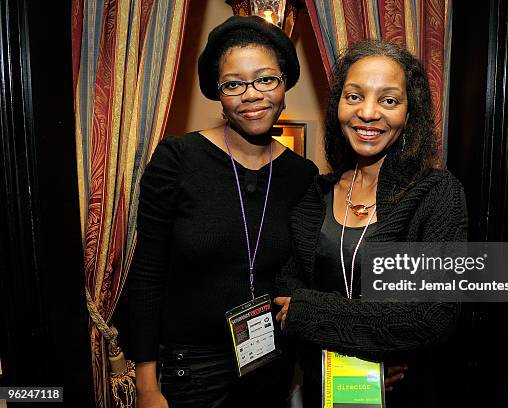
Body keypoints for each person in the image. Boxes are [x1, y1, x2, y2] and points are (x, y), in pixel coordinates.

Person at [128, 16, 318, 408]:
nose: (252, 95)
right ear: (219, 93)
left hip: (269, 361)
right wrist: (147, 385)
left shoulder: (302, 174)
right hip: (192, 367)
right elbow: (146, 274)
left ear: (285, 85)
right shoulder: (177, 159)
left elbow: (305, 274)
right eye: (233, 84)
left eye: (266, 79)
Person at [274, 40, 468, 407]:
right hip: (323, 389)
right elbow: (285, 295)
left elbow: (431, 315)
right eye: (354, 96)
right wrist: (364, 348)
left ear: (410, 114)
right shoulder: (315, 194)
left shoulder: (438, 194)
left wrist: (310, 311)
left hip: (406, 395)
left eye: (388, 100)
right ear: (338, 108)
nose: (368, 112)